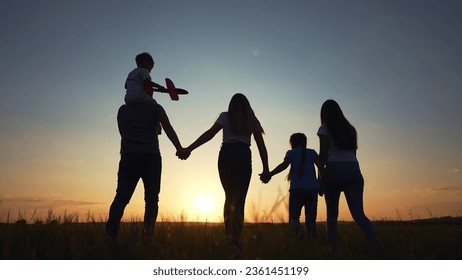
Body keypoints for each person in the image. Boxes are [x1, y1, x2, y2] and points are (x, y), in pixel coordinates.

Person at [177, 93, 269, 254]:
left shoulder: (225, 117)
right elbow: (261, 146)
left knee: (229, 197)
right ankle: (235, 242)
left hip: (226, 156)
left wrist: (188, 149)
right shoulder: (252, 120)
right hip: (243, 156)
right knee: (239, 200)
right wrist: (266, 169)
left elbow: (209, 134)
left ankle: (228, 238)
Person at [106, 91, 183, 241]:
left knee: (121, 197)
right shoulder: (156, 108)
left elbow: (123, 133)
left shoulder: (122, 110)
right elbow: (168, 128)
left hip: (128, 156)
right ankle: (147, 238)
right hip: (151, 157)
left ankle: (110, 235)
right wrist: (179, 148)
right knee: (152, 200)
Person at [317, 99, 380, 253]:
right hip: (353, 169)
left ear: (324, 113)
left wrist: (320, 178)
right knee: (359, 214)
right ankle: (377, 247)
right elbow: (353, 154)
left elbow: (323, 155)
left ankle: (333, 249)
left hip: (334, 169)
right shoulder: (351, 129)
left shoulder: (324, 128)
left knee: (332, 215)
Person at [260, 133, 322, 238]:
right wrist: (321, 185)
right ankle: (312, 242)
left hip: (296, 190)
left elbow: (284, 166)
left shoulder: (291, 153)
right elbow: (321, 168)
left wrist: (270, 174)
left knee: (294, 218)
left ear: (292, 143)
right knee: (311, 220)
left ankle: (298, 237)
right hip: (312, 189)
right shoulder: (312, 153)